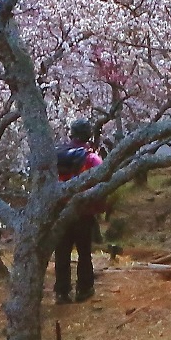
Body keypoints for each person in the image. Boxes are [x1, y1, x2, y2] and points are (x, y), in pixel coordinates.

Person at [54, 119, 104, 305]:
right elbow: (101, 183)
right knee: (84, 252)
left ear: (71, 134)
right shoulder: (91, 158)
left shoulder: (59, 155)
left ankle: (62, 291)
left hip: (60, 211)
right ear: (89, 136)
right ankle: (84, 288)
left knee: (62, 252)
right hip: (83, 212)